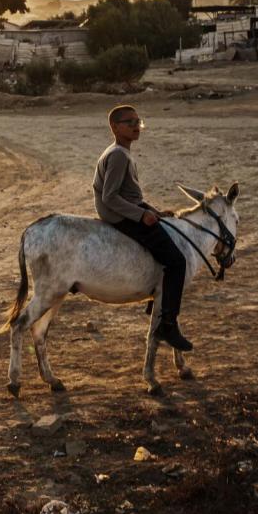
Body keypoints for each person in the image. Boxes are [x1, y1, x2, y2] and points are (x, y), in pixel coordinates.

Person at [92, 104, 193, 351]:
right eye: (129, 122)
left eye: (138, 121)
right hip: (118, 217)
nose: (136, 126)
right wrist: (141, 216)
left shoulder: (122, 152)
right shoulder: (117, 155)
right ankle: (167, 324)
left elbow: (131, 195)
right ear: (114, 127)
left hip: (126, 212)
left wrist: (154, 211)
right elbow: (110, 197)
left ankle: (155, 303)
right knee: (177, 262)